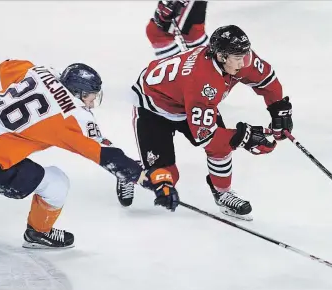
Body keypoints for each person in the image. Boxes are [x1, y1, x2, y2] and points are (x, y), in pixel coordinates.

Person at [0, 59, 179, 248]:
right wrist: (146, 178)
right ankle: (39, 233)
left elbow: (7, 65)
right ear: (79, 93)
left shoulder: (36, 71)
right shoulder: (72, 117)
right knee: (57, 182)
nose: (91, 103)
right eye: (90, 97)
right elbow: (107, 154)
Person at [117, 25, 293, 221]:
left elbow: (267, 81)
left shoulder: (241, 58)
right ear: (221, 56)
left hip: (187, 101)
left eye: (245, 55)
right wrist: (244, 137)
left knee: (222, 149)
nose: (244, 63)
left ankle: (223, 193)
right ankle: (128, 170)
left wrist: (279, 110)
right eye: (237, 58)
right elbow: (207, 138)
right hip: (154, 108)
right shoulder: (202, 81)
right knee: (166, 177)